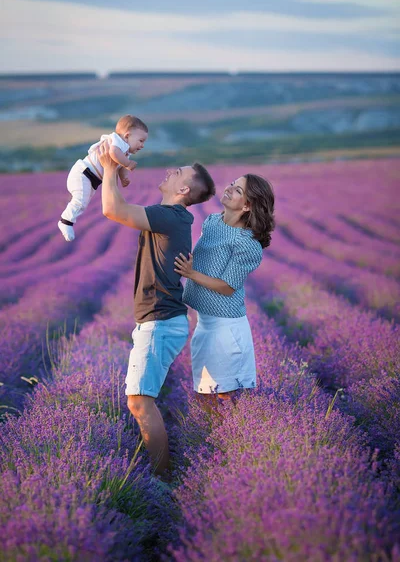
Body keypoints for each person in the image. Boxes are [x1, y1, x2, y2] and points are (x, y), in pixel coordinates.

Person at [98, 141, 216, 476]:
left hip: (160, 322)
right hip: (160, 321)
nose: (169, 171)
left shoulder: (171, 217)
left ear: (182, 188)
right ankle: (160, 475)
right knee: (140, 400)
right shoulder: (173, 217)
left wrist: (109, 167)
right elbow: (119, 204)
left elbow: (111, 211)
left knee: (139, 401)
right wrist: (116, 172)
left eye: (177, 172)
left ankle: (162, 482)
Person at [174, 174, 275, 409]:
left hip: (226, 329)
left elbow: (228, 287)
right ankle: (209, 441)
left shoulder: (247, 243)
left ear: (248, 205)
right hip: (204, 325)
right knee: (205, 394)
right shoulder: (212, 222)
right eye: (232, 184)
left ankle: (233, 440)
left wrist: (190, 274)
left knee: (226, 397)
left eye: (238, 190)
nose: (229, 189)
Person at [58, 115, 148, 241]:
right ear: (127, 136)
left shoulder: (125, 152)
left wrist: (124, 177)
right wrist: (127, 164)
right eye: (141, 140)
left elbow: (120, 166)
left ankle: (67, 221)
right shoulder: (116, 141)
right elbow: (113, 153)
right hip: (83, 173)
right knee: (80, 201)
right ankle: (65, 221)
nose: (143, 145)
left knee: (83, 203)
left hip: (91, 180)